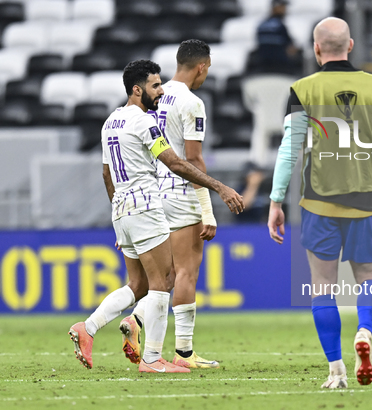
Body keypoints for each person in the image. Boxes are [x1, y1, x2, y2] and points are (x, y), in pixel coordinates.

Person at [267, 17, 372, 389]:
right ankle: (367, 332)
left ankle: (337, 369)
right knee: (369, 276)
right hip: (367, 202)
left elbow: (290, 150)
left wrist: (276, 200)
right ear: (350, 46)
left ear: (317, 49)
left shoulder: (303, 89)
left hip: (319, 203)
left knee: (323, 285)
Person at [68, 59, 244, 373]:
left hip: (122, 209)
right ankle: (152, 359)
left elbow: (107, 174)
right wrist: (220, 187)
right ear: (137, 90)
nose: (161, 91)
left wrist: (118, 215)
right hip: (145, 207)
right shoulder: (144, 122)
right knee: (163, 281)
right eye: (155, 85)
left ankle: (88, 328)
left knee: (137, 285)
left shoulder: (110, 122)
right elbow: (175, 163)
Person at [118, 40, 220, 370]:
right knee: (186, 272)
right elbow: (193, 159)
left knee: (169, 274)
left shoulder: (158, 96)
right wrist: (208, 208)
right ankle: (185, 353)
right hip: (182, 192)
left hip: (154, 192)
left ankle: (136, 317)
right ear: (202, 66)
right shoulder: (192, 102)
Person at [256, 0, 301, 75]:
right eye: (283, 7)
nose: (285, 10)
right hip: (281, 67)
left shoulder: (261, 25)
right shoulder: (280, 26)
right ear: (276, 7)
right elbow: (290, 48)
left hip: (263, 66)